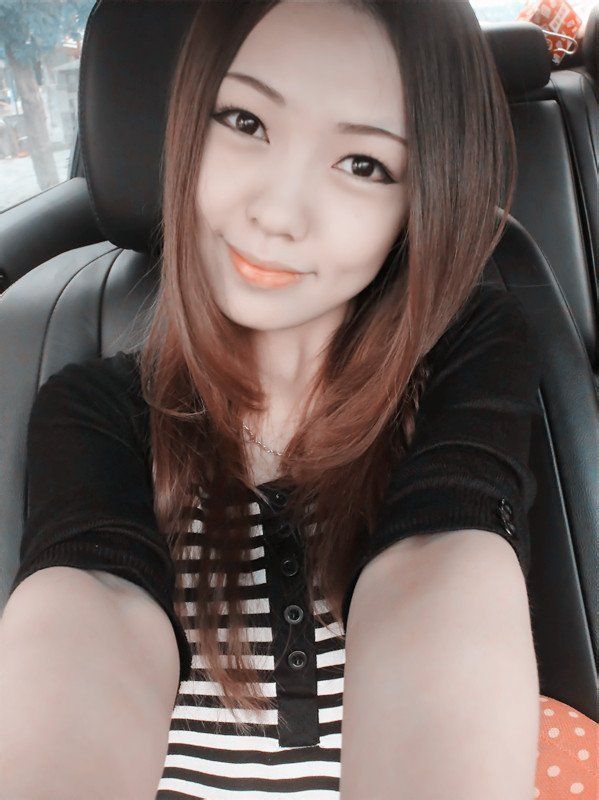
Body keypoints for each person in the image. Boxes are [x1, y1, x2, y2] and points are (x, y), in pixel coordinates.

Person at [2, 1, 596, 799]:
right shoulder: (92, 407)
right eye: (245, 121)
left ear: (419, 199)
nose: (277, 213)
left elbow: (442, 549)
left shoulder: (465, 349)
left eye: (363, 164)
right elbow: (90, 606)